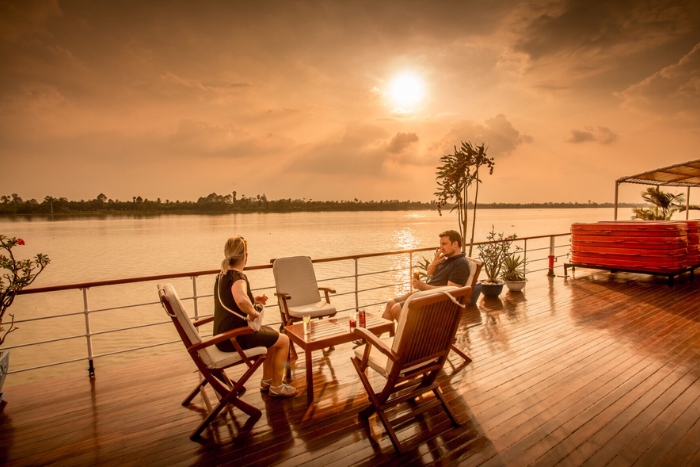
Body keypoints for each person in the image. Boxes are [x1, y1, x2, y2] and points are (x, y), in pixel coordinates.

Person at [214, 236, 297, 398]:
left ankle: (267, 380)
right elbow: (240, 299)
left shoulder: (222, 276)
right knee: (284, 340)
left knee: (273, 336)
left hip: (222, 336)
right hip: (235, 338)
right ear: (245, 256)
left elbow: (232, 299)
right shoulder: (238, 278)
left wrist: (254, 300)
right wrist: (254, 312)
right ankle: (277, 386)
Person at [382, 230, 470, 322]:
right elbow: (429, 272)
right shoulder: (446, 258)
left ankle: (412, 335)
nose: (441, 247)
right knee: (390, 304)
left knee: (396, 309)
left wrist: (424, 286)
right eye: (440, 244)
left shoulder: (460, 263)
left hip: (436, 301)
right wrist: (434, 263)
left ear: (455, 244)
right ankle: (372, 336)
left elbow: (452, 290)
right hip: (426, 293)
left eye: (444, 244)